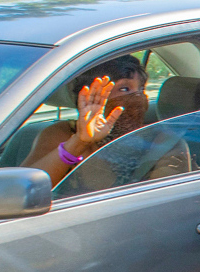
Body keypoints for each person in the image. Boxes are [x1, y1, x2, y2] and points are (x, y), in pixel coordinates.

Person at [23, 54, 190, 187]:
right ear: (90, 96)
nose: (139, 97)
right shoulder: (62, 133)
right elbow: (24, 188)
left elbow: (158, 206)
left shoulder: (164, 142)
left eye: (141, 89)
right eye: (124, 89)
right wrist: (79, 142)